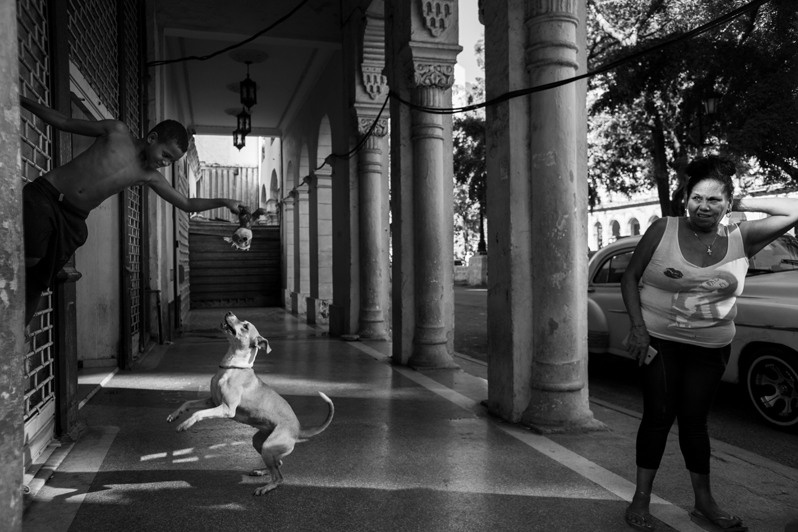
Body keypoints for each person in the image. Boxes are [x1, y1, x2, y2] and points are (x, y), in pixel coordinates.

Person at [620, 155, 798, 532]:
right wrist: (637, 326)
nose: (704, 207)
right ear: (686, 197)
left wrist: (743, 204)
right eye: (697, 197)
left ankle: (704, 502)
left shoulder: (742, 236)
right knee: (657, 416)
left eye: (715, 200)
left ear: (727, 202)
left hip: (711, 346)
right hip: (661, 341)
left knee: (695, 422)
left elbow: (795, 209)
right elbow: (630, 277)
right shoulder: (662, 229)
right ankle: (640, 499)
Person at [21, 96, 242, 326]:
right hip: (48, 194)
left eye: (172, 162)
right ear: (152, 138)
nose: (166, 164)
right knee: (31, 259)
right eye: (165, 155)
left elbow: (185, 203)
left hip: (73, 219)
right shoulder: (116, 131)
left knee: (38, 281)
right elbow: (64, 121)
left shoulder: (149, 176)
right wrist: (21, 100)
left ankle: (20, 329)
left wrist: (225, 202)